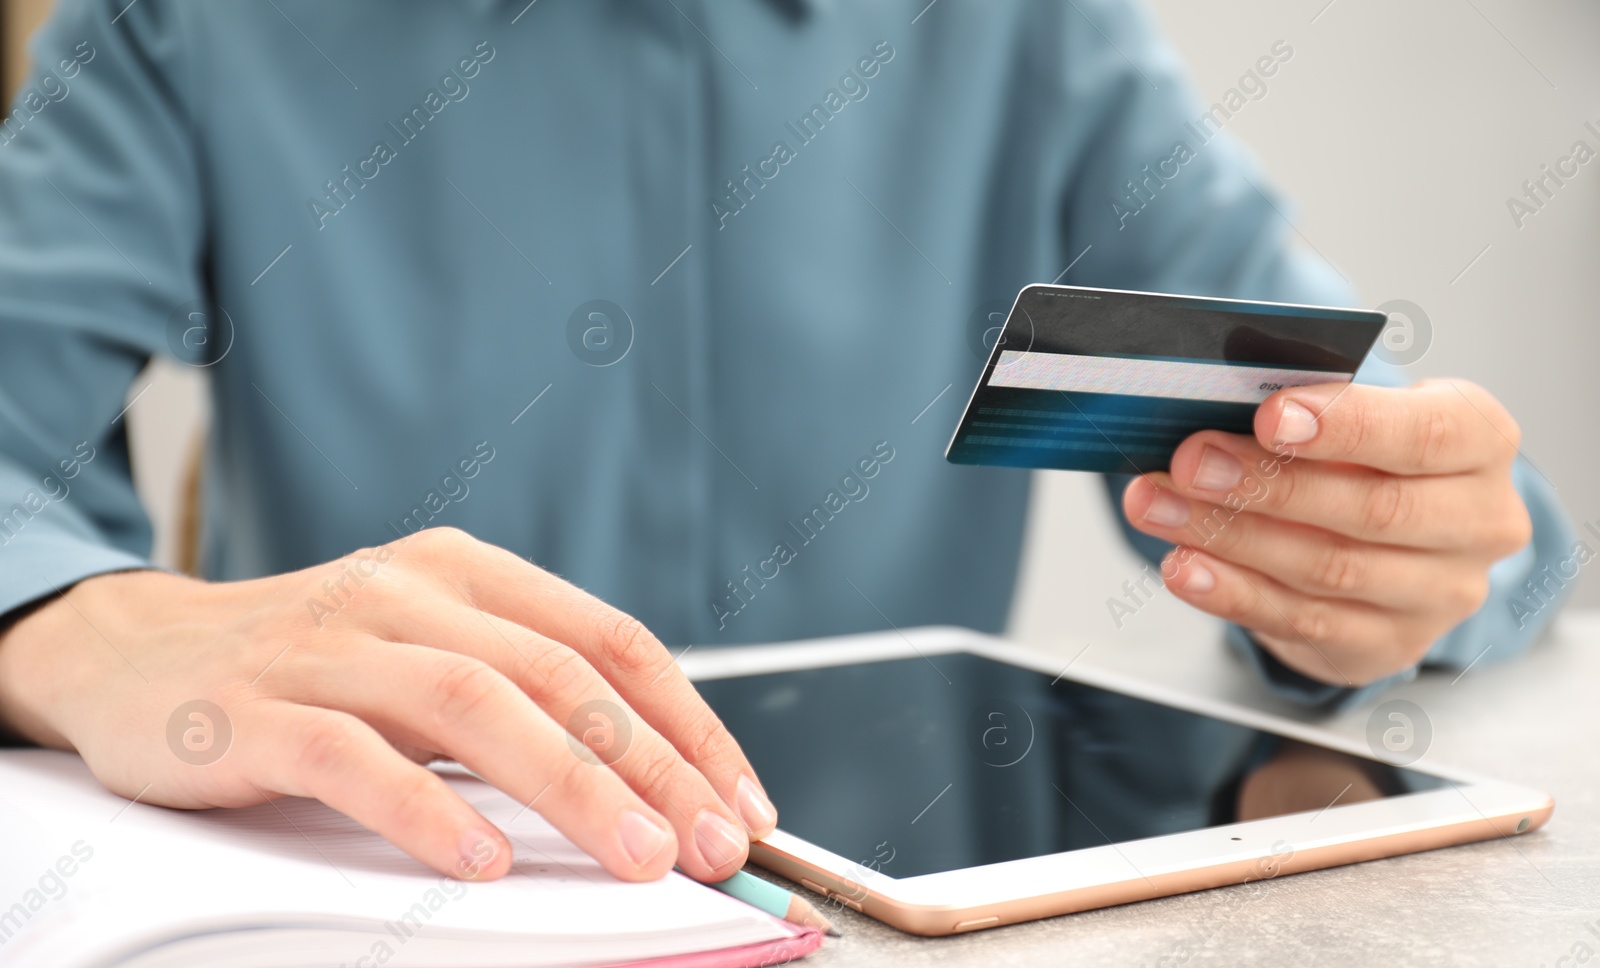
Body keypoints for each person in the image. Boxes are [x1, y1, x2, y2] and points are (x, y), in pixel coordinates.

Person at [0, 0, 1571, 885]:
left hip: (910, 960)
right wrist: (74, 621)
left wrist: (1396, 548)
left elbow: (1362, 463)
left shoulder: (1026, 34)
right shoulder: (183, 27)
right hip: (385, 892)